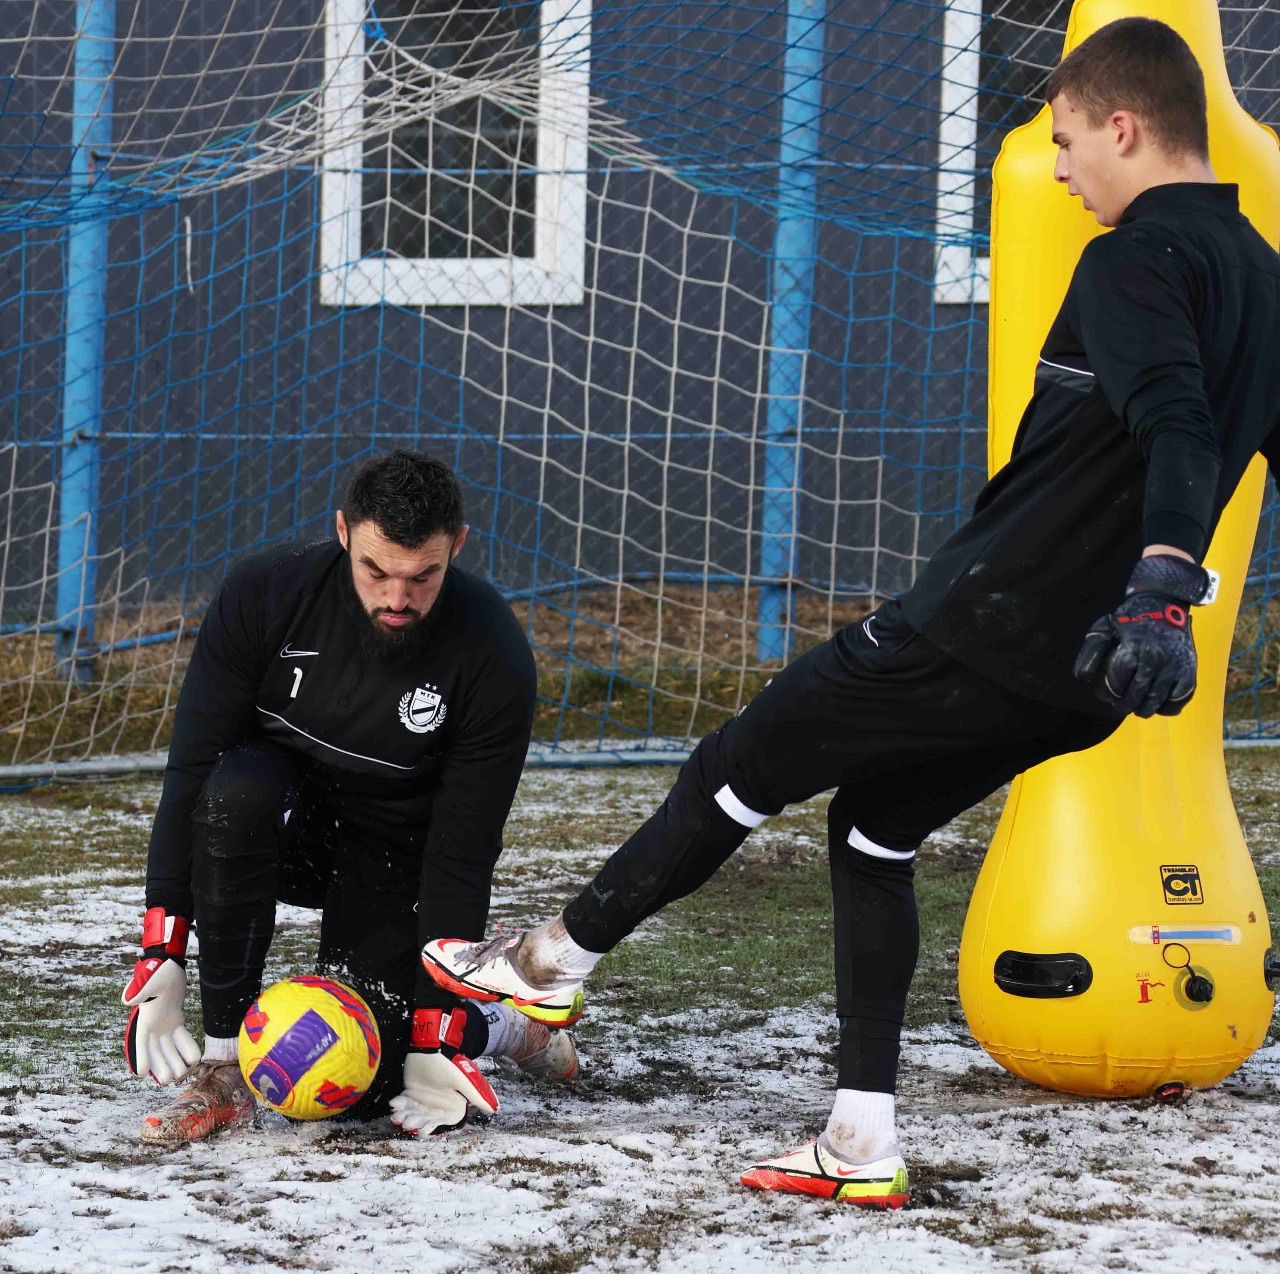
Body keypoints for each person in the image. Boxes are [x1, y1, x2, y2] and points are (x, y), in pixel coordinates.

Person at [419, 18, 1280, 1205]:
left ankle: (547, 963)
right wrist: (1151, 607)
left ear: (1123, 127)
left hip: (985, 627)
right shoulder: (1260, 273)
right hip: (1084, 680)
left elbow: (1176, 425)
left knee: (735, 762)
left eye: (1066, 138)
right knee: (872, 829)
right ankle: (859, 1137)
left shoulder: (1128, 258)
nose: (1059, 167)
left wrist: (1163, 585)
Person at [122, 449, 573, 1143]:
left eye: (422, 576)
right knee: (234, 791)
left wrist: (435, 1030)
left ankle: (501, 1025)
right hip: (283, 828)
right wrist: (164, 946)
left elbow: (462, 852)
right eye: (376, 571)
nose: (397, 598)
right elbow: (191, 772)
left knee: (363, 1095)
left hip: (393, 857)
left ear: (457, 545)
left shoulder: (492, 654)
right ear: (342, 532)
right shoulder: (264, 595)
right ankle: (222, 1072)